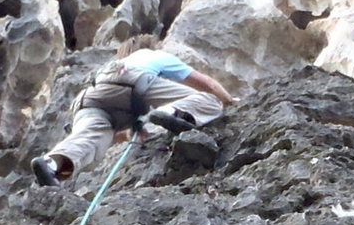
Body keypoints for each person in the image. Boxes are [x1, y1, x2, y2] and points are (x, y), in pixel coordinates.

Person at [31, 34, 235, 186]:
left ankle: (54, 165)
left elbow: (112, 135)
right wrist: (230, 102)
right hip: (134, 82)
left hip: (89, 98)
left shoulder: (109, 66)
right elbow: (207, 84)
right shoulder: (153, 55)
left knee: (89, 141)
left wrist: (133, 131)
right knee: (209, 101)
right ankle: (173, 112)